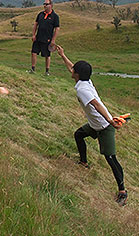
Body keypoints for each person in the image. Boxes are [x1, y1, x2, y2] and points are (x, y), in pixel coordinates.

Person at [56, 45, 128, 206]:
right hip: (95, 124)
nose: (71, 70)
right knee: (79, 134)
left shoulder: (83, 89)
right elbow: (71, 68)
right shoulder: (85, 80)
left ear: (78, 74)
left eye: (74, 70)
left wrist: (110, 121)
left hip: (104, 126)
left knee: (111, 158)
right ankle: (83, 162)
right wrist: (62, 55)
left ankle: (122, 191)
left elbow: (96, 104)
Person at [28, 0, 59, 75]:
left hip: (47, 39)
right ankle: (33, 69)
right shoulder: (40, 14)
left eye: (46, 4)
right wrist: (33, 34)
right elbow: (35, 24)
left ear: (51, 5)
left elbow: (57, 29)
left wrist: (53, 40)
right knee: (34, 52)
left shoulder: (55, 16)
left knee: (47, 55)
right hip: (38, 37)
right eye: (44, 4)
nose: (44, 5)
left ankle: (47, 71)